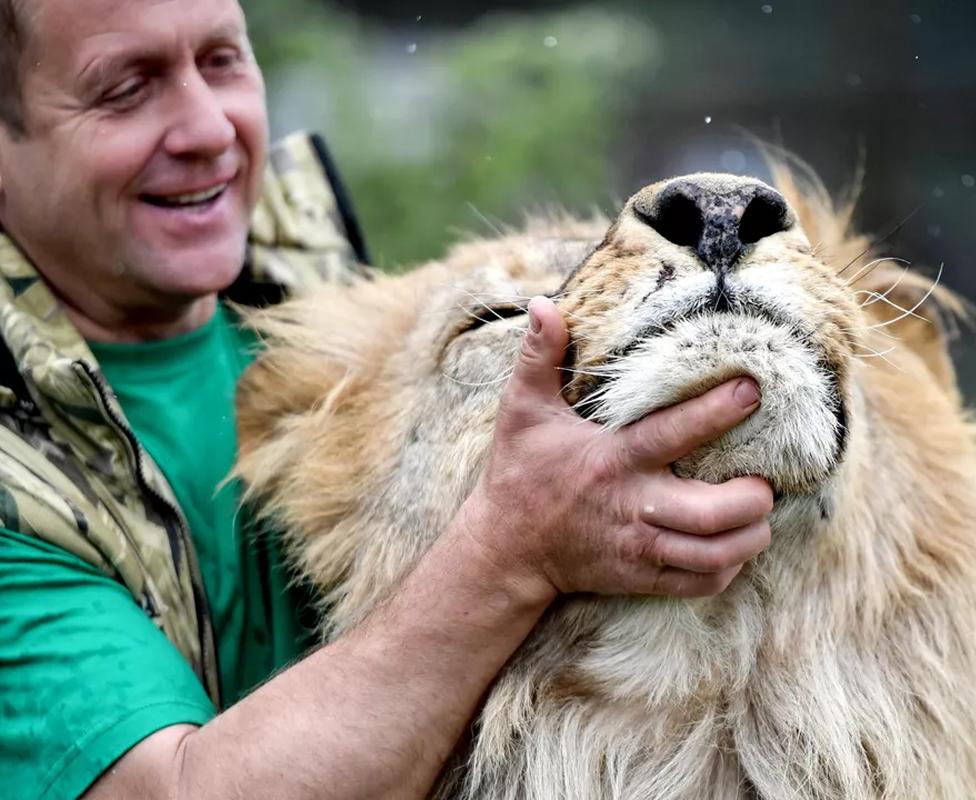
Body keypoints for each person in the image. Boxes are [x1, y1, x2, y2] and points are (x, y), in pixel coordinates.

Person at [0, 1, 774, 798]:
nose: (208, 128)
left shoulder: (312, 276)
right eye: (126, 89)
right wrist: (513, 548)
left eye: (223, 60)